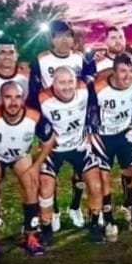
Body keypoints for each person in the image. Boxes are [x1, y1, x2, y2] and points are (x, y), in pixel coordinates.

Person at [0, 81, 56, 256]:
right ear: (0, 99)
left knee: (31, 184)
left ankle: (31, 235)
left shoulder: (34, 116)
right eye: (8, 97)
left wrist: (36, 166)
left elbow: (49, 140)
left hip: (21, 155)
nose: (13, 102)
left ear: (23, 99)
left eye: (17, 97)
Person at [30, 19, 86, 228]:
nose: (64, 40)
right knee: (49, 175)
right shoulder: (41, 60)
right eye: (59, 36)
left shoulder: (80, 58)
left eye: (68, 35)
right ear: (52, 39)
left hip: (75, 125)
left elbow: (88, 85)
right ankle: (53, 212)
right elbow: (33, 94)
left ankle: (75, 207)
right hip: (52, 125)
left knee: (81, 173)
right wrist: (41, 124)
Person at [37, 66, 103, 243]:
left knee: (96, 185)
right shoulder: (41, 98)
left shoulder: (84, 89)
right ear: (53, 83)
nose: (67, 87)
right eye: (62, 82)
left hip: (79, 147)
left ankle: (94, 224)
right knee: (45, 186)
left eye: (70, 81)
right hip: (53, 150)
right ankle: (46, 226)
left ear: (76, 81)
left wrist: (92, 128)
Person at [88, 53, 132, 238]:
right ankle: (108, 220)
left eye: (131, 71)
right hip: (102, 136)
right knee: (104, 178)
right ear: (113, 72)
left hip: (124, 132)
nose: (127, 76)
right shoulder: (97, 87)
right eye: (123, 71)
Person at [83, 25, 132, 222]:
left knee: (129, 167)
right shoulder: (94, 63)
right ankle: (103, 211)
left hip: (125, 124)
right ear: (105, 42)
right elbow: (86, 89)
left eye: (120, 37)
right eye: (113, 37)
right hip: (101, 127)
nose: (117, 41)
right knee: (101, 172)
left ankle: (128, 204)